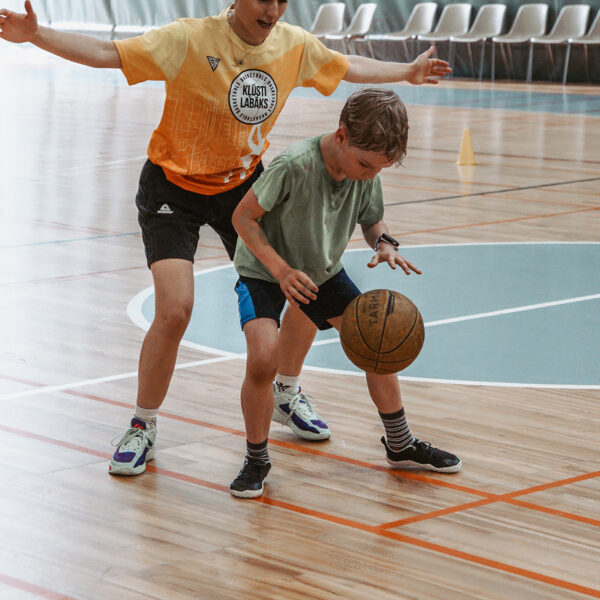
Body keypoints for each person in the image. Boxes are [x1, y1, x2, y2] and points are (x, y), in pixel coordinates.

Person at [0, 0, 453, 477]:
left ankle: (287, 392)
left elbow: (347, 66)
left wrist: (408, 71)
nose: (274, 9)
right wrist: (36, 35)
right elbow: (106, 51)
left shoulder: (292, 46)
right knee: (174, 311)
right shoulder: (189, 39)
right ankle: (143, 425)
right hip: (173, 187)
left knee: (307, 278)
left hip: (241, 184)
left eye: (282, 0)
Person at [230, 88, 462, 498]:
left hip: (320, 270)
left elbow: (373, 222)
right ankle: (256, 457)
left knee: (379, 340)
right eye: (366, 164)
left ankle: (400, 443)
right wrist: (281, 271)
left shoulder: (365, 172)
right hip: (266, 271)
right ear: (340, 137)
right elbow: (243, 218)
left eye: (380, 169)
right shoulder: (294, 165)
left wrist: (385, 244)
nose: (371, 174)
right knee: (264, 359)